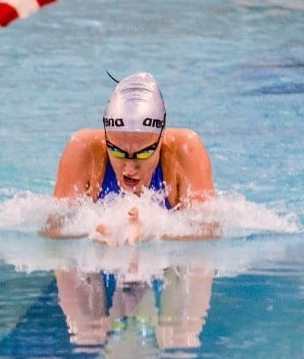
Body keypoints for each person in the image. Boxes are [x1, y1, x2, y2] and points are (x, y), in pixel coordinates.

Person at [41, 71, 218, 243]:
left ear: (161, 138)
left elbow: (209, 230)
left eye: (143, 153)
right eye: (117, 151)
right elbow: (53, 229)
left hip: (168, 268)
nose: (129, 168)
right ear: (106, 137)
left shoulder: (186, 149)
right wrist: (93, 230)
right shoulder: (84, 149)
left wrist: (155, 230)